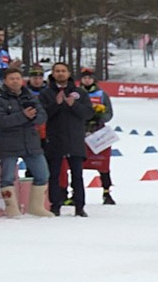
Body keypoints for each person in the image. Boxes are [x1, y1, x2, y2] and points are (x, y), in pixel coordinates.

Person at [0, 65, 49, 216]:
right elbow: (1, 121)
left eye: (18, 78)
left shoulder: (29, 96)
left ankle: (36, 207)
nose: (15, 81)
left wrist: (28, 119)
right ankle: (11, 208)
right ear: (5, 81)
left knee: (42, 174)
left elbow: (42, 116)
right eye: (11, 79)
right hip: (9, 143)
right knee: (7, 177)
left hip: (31, 142)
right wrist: (24, 117)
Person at [41, 62, 94, 216]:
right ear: (52, 73)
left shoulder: (80, 93)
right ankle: (55, 205)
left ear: (69, 73)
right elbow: (42, 114)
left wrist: (74, 105)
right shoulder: (46, 93)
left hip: (74, 139)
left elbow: (89, 113)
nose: (60, 74)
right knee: (54, 174)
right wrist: (55, 105)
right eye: (57, 71)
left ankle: (79, 206)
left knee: (77, 174)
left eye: (63, 71)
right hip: (55, 139)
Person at [74, 70, 117, 205]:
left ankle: (106, 191)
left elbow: (109, 114)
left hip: (97, 132)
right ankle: (74, 192)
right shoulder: (75, 94)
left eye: (89, 78)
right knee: (76, 163)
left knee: (102, 163)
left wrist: (98, 116)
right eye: (84, 78)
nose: (87, 80)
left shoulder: (102, 94)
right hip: (79, 131)